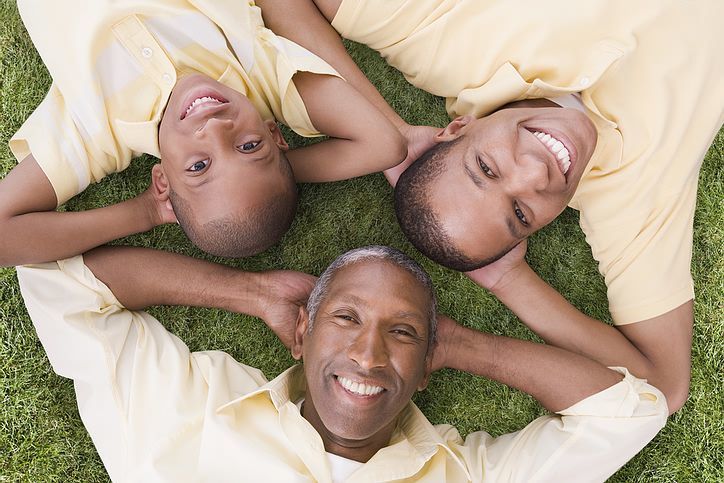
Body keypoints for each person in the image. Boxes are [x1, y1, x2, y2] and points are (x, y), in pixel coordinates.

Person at [255, 0, 724, 414]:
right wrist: (509, 280)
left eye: (486, 167)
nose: (534, 175)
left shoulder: (435, 36)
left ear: (458, 128)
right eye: (520, 214)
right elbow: (663, 384)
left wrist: (386, 135)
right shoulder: (630, 203)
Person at [17, 245, 667, 481]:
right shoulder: (189, 414)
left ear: (427, 364)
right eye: (347, 317)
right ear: (302, 332)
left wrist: (459, 346)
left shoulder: (467, 474)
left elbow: (629, 412)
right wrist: (251, 291)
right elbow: (58, 280)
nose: (367, 353)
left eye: (404, 332)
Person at [0, 0, 406, 266]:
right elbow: (384, 143)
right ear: (274, 134)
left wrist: (145, 211)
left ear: (162, 180)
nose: (214, 129)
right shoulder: (256, 74)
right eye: (249, 147)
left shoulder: (98, 133)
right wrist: (271, 171)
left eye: (198, 166)